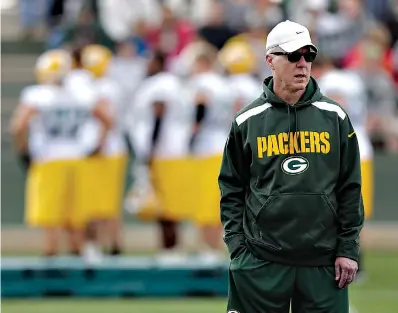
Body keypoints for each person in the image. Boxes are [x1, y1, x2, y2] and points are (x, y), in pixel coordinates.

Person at [218, 20, 364, 313]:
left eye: (308, 56)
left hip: (322, 263)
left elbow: (350, 188)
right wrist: (237, 247)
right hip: (261, 261)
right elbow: (231, 188)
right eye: (293, 56)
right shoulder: (247, 121)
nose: (302, 64)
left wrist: (348, 250)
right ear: (270, 60)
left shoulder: (335, 118)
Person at [10, 49, 111, 256]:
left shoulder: (38, 95)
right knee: (76, 222)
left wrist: (24, 152)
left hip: (48, 161)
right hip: (78, 160)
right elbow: (108, 120)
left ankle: (52, 273)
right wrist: (96, 146)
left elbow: (18, 126)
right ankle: (77, 272)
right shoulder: (81, 94)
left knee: (51, 223)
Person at [312, 55, 373, 281]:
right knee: (354, 209)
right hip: (361, 147)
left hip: (343, 147)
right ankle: (356, 263)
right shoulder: (353, 79)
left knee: (339, 207)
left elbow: (337, 107)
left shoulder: (331, 81)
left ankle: (349, 261)